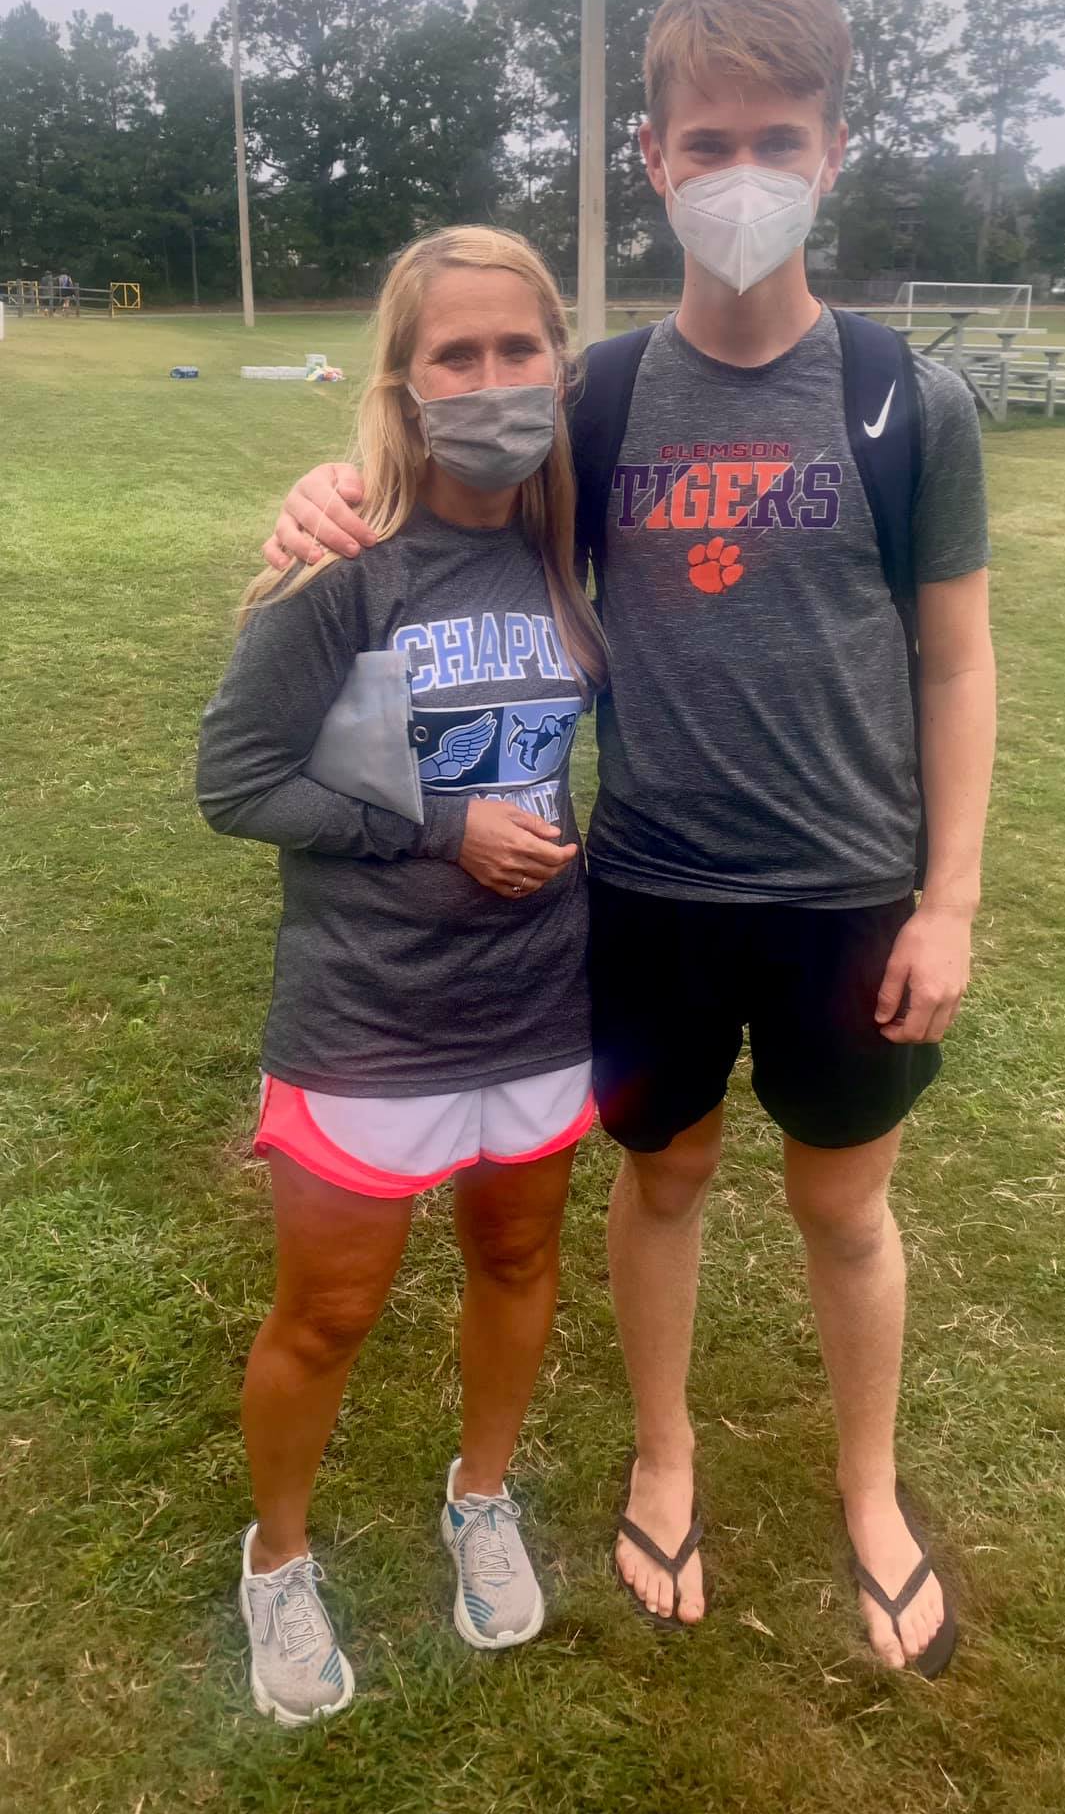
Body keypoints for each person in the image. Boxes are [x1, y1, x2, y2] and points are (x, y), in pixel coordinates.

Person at [263, 0, 996, 1678]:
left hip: (849, 894)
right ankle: (664, 1458)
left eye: (779, 141)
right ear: (653, 159)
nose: (744, 173)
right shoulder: (591, 401)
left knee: (845, 1212)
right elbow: (432, 507)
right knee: (663, 1183)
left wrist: (948, 900)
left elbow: (956, 662)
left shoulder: (905, 398)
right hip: (650, 887)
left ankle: (869, 1490)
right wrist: (319, 490)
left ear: (833, 150)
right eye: (708, 142)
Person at [197, 225, 606, 1725]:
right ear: (405, 381)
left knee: (518, 1260)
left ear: (558, 365)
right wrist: (443, 830)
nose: (492, 380)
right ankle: (279, 1560)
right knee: (327, 1314)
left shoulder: (574, 548)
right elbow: (237, 781)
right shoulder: (341, 562)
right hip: (369, 1013)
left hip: (541, 1003)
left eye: (518, 349)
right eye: (457, 354)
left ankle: (479, 1497)